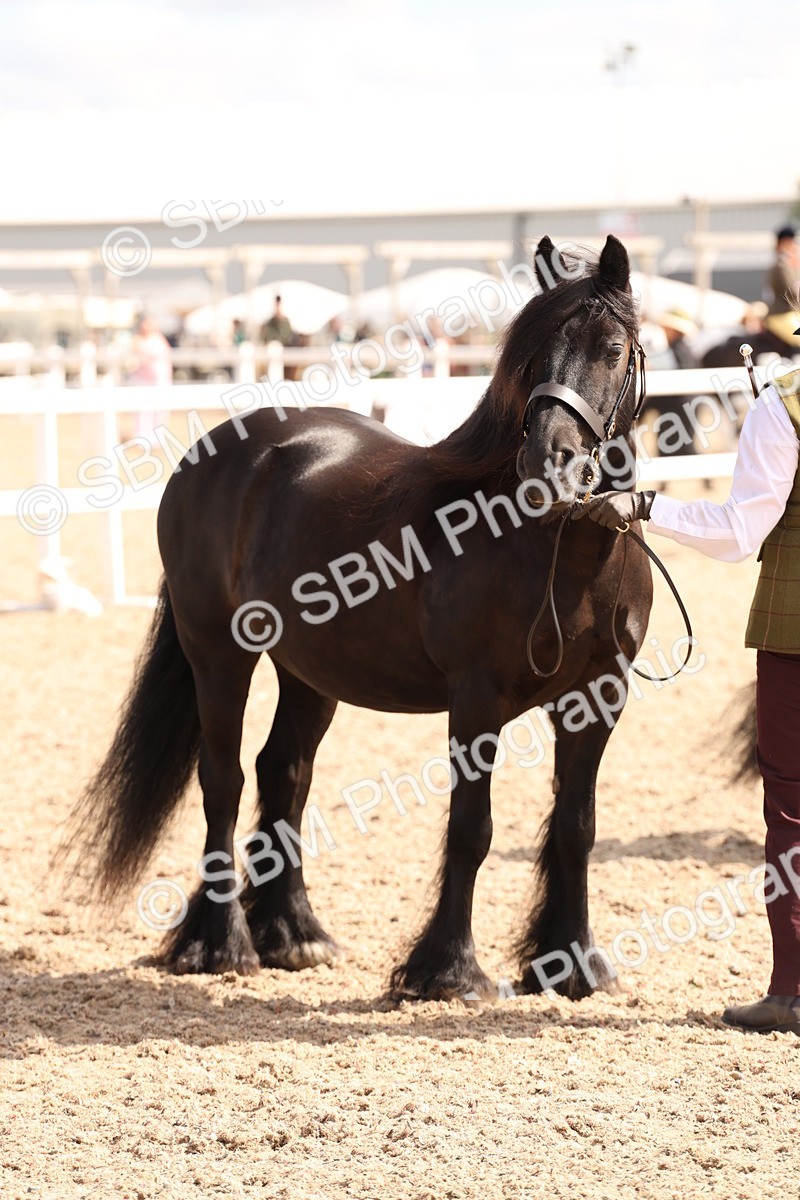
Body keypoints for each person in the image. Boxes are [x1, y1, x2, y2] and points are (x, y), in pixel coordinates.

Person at [574, 324, 800, 1034]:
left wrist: (647, 506)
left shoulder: (782, 403)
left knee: (791, 810)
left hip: (794, 629)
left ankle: (792, 989)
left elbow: (739, 534)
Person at [764, 226, 800, 349]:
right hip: (781, 314)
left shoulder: (790, 264)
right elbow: (792, 292)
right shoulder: (781, 266)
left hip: (791, 313)